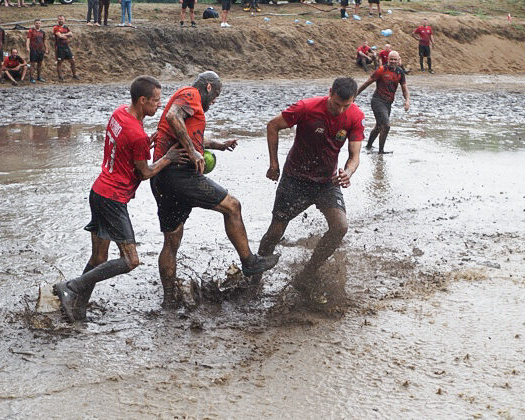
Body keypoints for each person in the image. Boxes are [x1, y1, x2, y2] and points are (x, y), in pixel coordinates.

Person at [54, 76, 189, 322]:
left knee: (98, 258)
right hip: (112, 199)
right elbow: (146, 172)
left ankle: (77, 310)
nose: (159, 105)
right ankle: (71, 287)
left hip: (98, 191)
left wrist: (146, 142)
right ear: (142, 100)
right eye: (156, 101)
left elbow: (125, 145)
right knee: (130, 261)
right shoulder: (136, 134)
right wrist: (168, 157)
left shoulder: (119, 115)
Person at [150, 71, 279, 308]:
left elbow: (188, 134)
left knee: (172, 240)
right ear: (208, 87)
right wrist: (193, 151)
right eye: (216, 94)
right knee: (232, 206)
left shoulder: (189, 103)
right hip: (178, 173)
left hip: (162, 177)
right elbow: (172, 117)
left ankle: (168, 300)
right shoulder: (190, 94)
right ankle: (249, 261)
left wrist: (218, 146)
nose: (216, 100)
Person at [255, 77, 364, 297]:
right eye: (336, 104)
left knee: (340, 227)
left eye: (346, 105)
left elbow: (355, 156)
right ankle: (254, 276)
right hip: (295, 178)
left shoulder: (355, 116)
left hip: (327, 182)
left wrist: (347, 172)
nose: (340, 110)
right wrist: (273, 163)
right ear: (330, 92)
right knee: (275, 231)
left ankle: (307, 274)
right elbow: (273, 125)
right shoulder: (307, 108)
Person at [357, 50, 410, 154]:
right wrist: (355, 94)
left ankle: (368, 146)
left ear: (399, 60)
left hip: (388, 103)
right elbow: (367, 82)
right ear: (388, 59)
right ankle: (381, 151)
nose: (393, 61)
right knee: (386, 125)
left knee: (379, 126)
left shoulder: (400, 72)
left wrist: (407, 100)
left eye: (395, 59)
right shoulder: (381, 70)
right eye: (391, 59)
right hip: (377, 101)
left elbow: (404, 88)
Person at [53, 15, 78, 81]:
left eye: (62, 19)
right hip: (59, 47)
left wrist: (64, 35)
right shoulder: (56, 27)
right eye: (59, 19)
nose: (60, 20)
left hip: (66, 46)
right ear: (57, 20)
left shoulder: (66, 28)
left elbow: (71, 34)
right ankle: (60, 77)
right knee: (59, 62)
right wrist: (66, 35)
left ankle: (74, 75)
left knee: (72, 61)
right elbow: (60, 36)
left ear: (64, 20)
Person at [26, 18, 48, 83]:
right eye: (36, 23)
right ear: (34, 24)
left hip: (41, 50)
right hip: (33, 49)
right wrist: (27, 47)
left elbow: (44, 41)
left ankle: (38, 77)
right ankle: (31, 78)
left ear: (40, 24)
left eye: (39, 23)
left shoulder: (42, 32)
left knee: (39, 64)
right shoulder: (31, 31)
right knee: (32, 64)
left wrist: (46, 48)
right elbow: (28, 39)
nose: (38, 24)